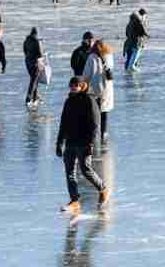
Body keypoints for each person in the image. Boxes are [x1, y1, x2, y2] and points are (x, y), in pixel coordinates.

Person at [55, 76, 109, 214]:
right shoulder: (69, 101)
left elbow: (95, 124)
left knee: (85, 169)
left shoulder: (89, 100)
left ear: (82, 86)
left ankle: (103, 189)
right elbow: (63, 122)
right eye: (71, 86)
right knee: (70, 172)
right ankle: (74, 201)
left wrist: (91, 143)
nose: (73, 88)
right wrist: (59, 142)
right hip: (70, 142)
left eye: (76, 85)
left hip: (84, 142)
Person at [85, 39, 114, 149]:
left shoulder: (92, 57)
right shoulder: (109, 56)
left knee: (94, 112)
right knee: (104, 111)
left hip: (95, 88)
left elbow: (87, 74)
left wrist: (83, 86)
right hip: (107, 88)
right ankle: (104, 133)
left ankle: (94, 134)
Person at [23, 27, 45, 106]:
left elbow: (25, 51)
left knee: (34, 80)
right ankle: (28, 99)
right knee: (34, 81)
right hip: (35, 63)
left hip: (28, 62)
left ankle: (35, 98)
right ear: (36, 34)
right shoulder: (36, 41)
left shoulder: (26, 41)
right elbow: (40, 54)